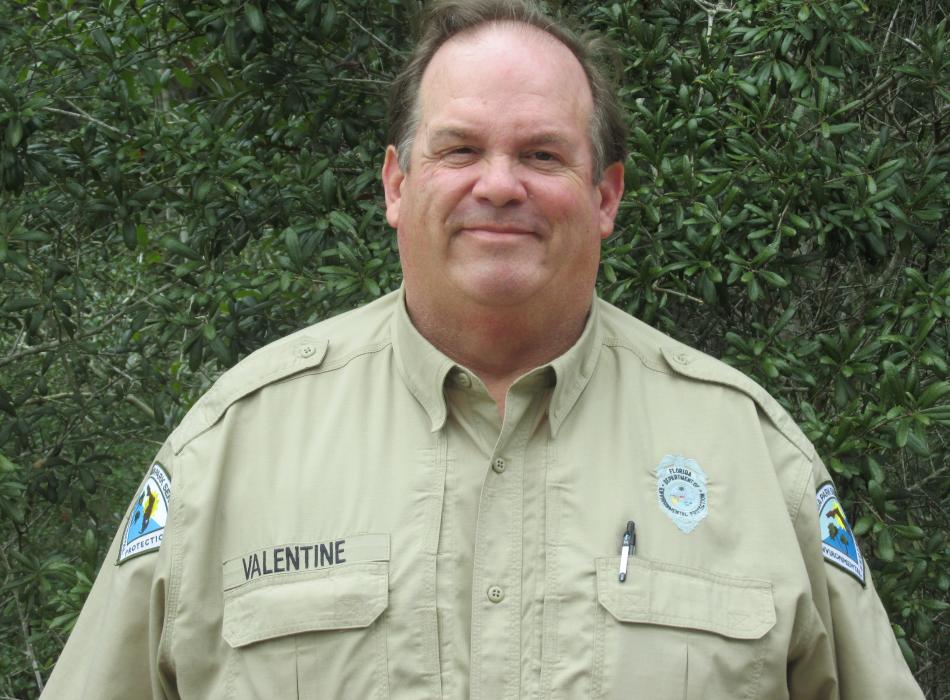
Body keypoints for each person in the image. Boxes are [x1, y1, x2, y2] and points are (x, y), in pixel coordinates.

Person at [42, 1, 925, 698]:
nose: (498, 185)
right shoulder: (227, 452)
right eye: (459, 148)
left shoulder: (755, 459)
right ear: (396, 184)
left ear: (606, 195)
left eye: (542, 154)